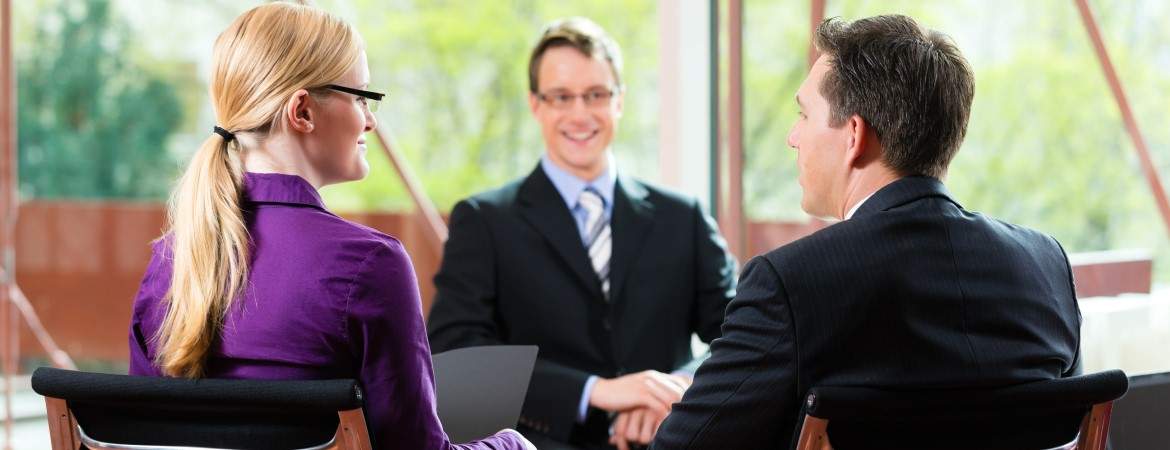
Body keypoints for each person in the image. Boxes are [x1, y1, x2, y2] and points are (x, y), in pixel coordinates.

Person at [650, 15, 1081, 449]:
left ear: (854, 135)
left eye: (804, 114)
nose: (793, 137)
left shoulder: (790, 284)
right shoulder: (1046, 266)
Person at [127, 3, 534, 449]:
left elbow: (145, 436)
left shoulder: (169, 262)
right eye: (361, 96)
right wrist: (513, 444)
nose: (370, 119)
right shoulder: (369, 264)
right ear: (302, 111)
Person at [426, 17, 737, 450]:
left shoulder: (683, 218)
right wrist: (595, 391)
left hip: (668, 440)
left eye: (595, 95)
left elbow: (742, 334)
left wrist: (676, 388)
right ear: (535, 104)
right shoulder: (484, 221)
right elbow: (456, 354)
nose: (579, 114)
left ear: (619, 100)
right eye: (561, 97)